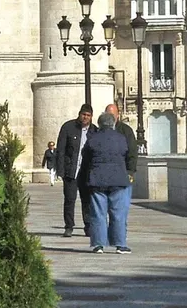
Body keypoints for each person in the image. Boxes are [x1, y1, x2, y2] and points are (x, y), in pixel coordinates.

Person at [84, 111, 135, 253]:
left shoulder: (93, 139)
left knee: (98, 213)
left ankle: (98, 244)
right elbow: (127, 153)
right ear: (113, 123)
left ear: (99, 124)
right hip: (119, 179)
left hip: (97, 180)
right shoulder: (121, 138)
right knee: (118, 213)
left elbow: (86, 157)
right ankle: (120, 245)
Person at [56, 105, 95, 239]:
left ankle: (88, 226)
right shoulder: (68, 127)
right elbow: (60, 150)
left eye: (88, 115)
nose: (85, 117)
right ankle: (69, 226)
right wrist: (60, 170)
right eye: (83, 114)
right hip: (71, 171)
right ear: (79, 114)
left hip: (86, 172)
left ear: (91, 117)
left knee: (87, 200)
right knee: (69, 199)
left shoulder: (94, 131)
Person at [104, 103, 138, 181]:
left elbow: (132, 151)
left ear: (117, 115)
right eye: (107, 115)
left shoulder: (126, 130)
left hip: (122, 173)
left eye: (112, 115)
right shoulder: (101, 130)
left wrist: (130, 172)